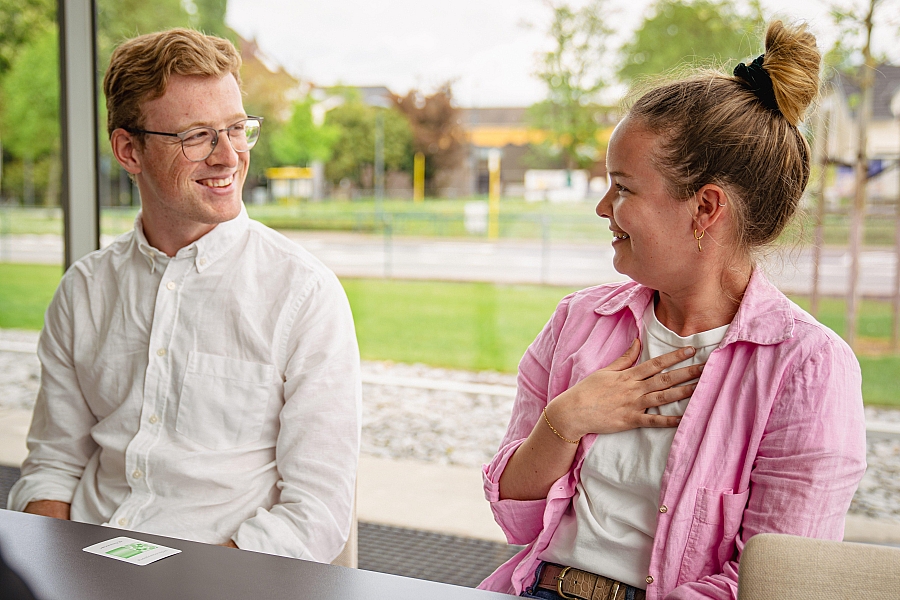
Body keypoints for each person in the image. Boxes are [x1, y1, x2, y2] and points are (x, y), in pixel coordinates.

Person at [478, 21, 866, 600]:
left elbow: (780, 585)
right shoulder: (577, 324)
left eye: (624, 188)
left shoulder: (808, 368)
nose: (603, 206)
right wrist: (564, 422)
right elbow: (516, 520)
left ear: (706, 207)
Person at [8, 29, 361, 563]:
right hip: (79, 566)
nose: (228, 157)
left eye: (237, 129)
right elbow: (53, 467)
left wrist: (190, 585)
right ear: (130, 150)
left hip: (218, 578)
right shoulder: (83, 292)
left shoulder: (304, 296)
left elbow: (316, 514)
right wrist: (45, 571)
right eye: (197, 136)